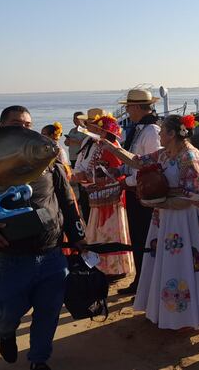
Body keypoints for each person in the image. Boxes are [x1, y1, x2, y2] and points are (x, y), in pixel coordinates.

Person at [0, 105, 86, 370]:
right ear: (1, 128)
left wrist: (78, 235)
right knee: (8, 313)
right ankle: (5, 332)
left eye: (28, 125)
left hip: (52, 253)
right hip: (11, 258)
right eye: (16, 124)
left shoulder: (48, 162)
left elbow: (67, 200)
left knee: (49, 311)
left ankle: (39, 360)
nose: (23, 129)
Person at [102, 114, 199, 329]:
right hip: (168, 216)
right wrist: (112, 148)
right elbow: (137, 161)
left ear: (172, 133)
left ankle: (187, 316)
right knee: (169, 261)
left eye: (162, 130)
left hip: (185, 219)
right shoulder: (165, 154)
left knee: (185, 262)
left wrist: (155, 203)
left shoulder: (190, 157)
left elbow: (191, 196)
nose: (159, 134)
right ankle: (169, 311)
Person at [71, 111, 133, 281]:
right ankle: (103, 266)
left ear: (105, 131)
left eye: (97, 128)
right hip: (98, 197)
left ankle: (115, 267)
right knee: (100, 232)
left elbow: (118, 172)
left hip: (111, 199)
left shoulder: (111, 147)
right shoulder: (93, 144)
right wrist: (84, 176)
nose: (92, 129)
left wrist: (91, 177)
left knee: (111, 232)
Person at [115, 89, 161, 295]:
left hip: (144, 191)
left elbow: (152, 166)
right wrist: (121, 173)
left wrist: (130, 180)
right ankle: (141, 281)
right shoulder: (140, 129)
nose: (126, 110)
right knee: (138, 236)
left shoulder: (151, 131)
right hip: (136, 189)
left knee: (144, 237)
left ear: (136, 107)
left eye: (128, 106)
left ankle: (146, 283)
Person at [65, 111, 89, 221]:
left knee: (81, 178)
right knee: (76, 178)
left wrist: (74, 140)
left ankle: (83, 197)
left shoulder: (85, 130)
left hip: (81, 157)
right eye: (74, 118)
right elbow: (66, 143)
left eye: (77, 118)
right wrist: (68, 140)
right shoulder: (72, 130)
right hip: (73, 157)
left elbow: (84, 143)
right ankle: (80, 196)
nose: (75, 120)